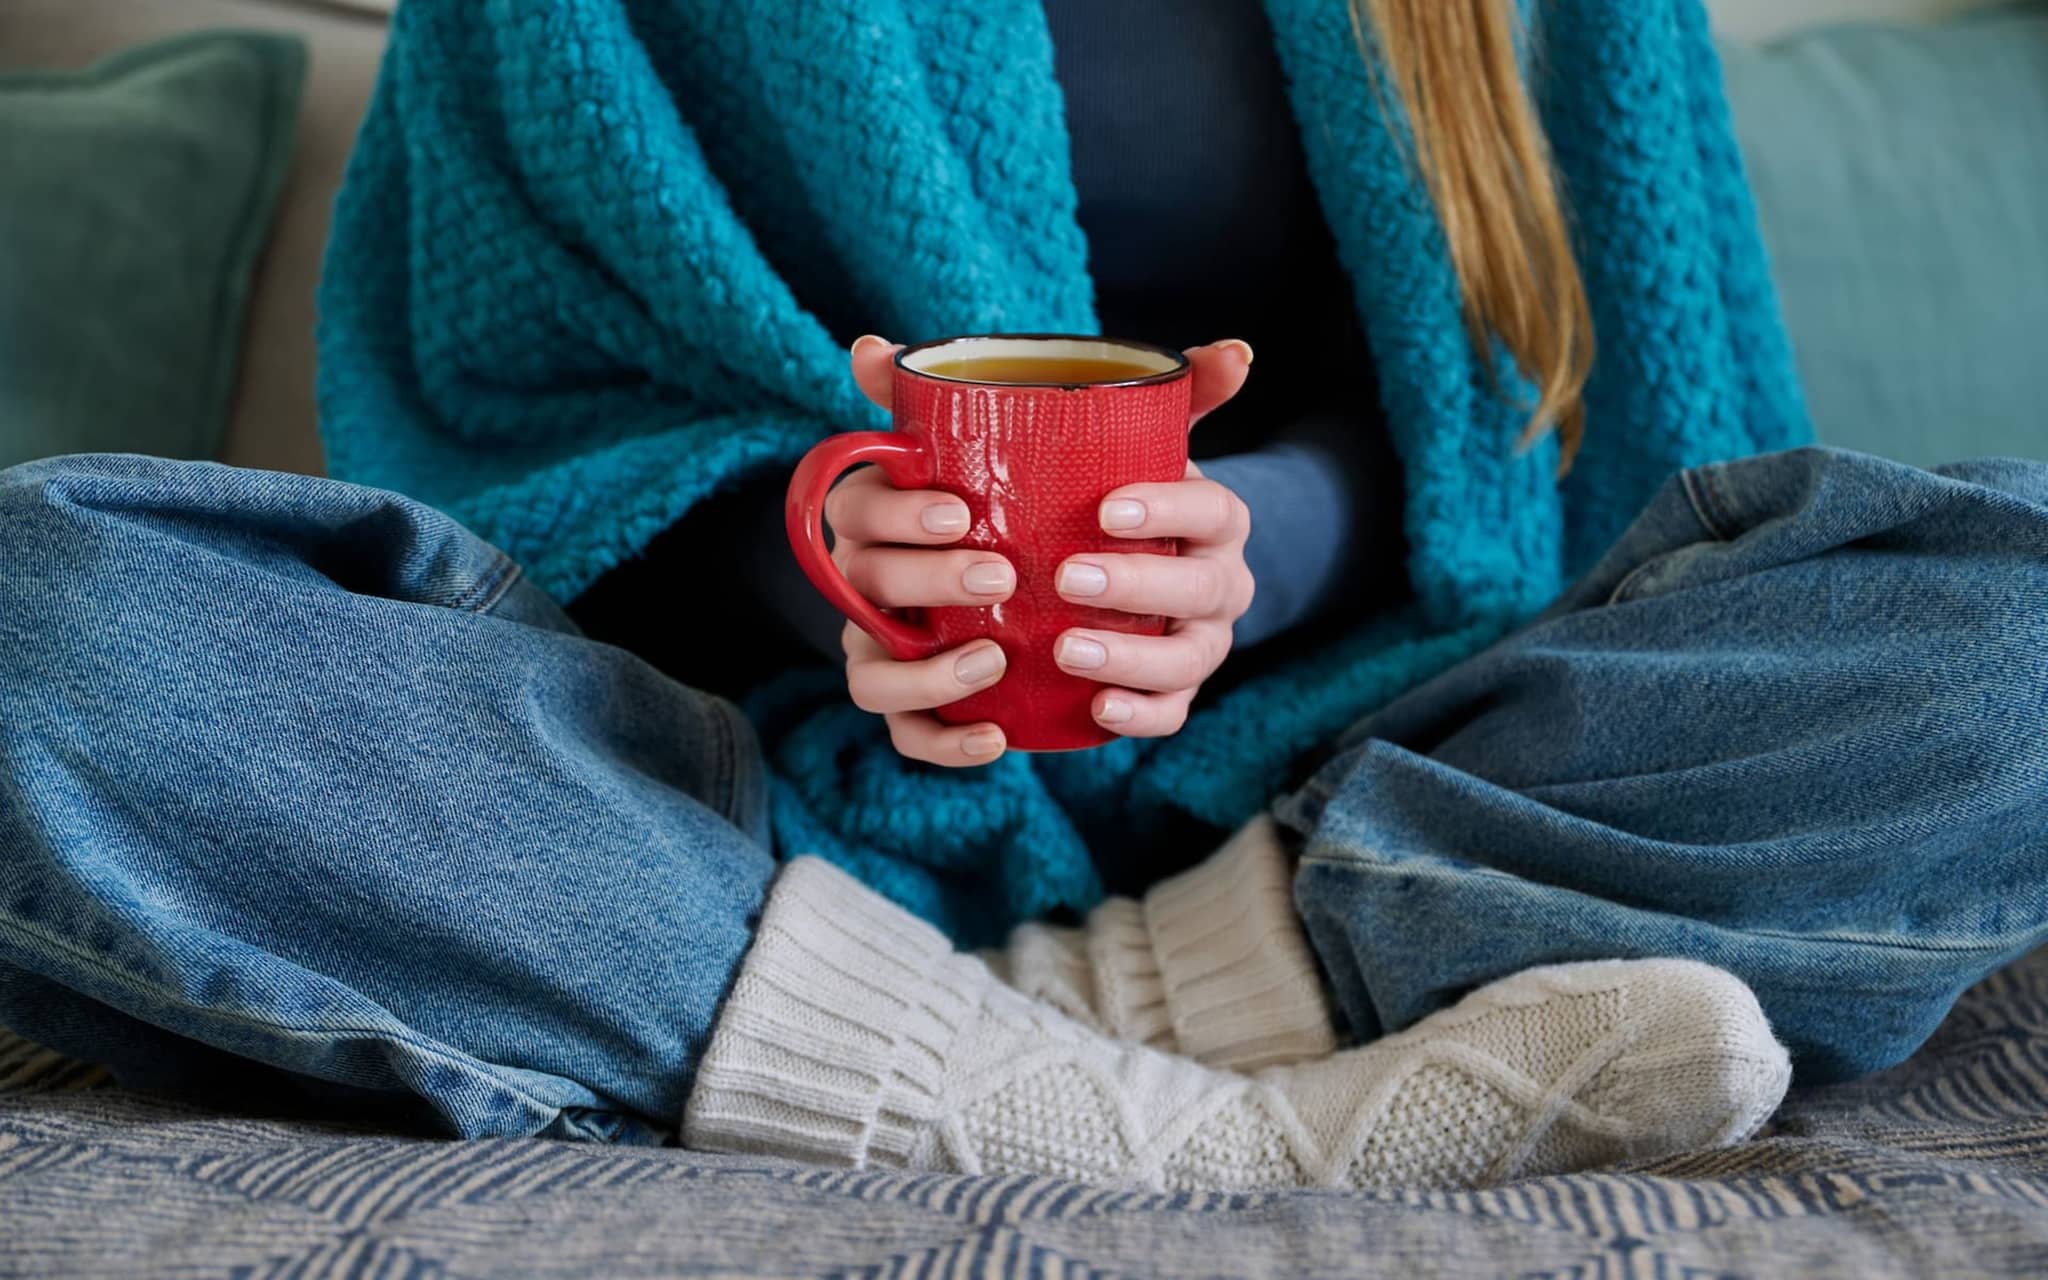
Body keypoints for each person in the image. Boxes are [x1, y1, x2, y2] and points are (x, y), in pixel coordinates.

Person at [2, 0, 2044, 1193]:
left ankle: (1165, 1001)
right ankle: (1079, 1084)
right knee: (41, 607)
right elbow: (500, 407)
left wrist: (1262, 554)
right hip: (740, 800)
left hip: (1394, 764)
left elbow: (1569, 406)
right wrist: (822, 553)